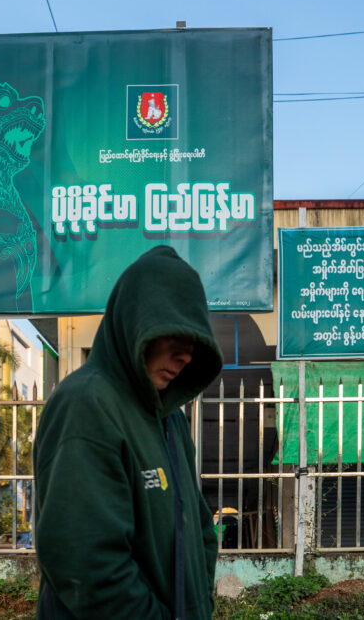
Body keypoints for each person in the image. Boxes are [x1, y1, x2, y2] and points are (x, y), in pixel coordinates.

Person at [33, 246, 223, 619]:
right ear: (135, 323)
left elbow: (199, 529)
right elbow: (86, 565)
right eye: (173, 333)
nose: (185, 355)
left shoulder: (168, 416)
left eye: (194, 342)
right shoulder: (86, 404)